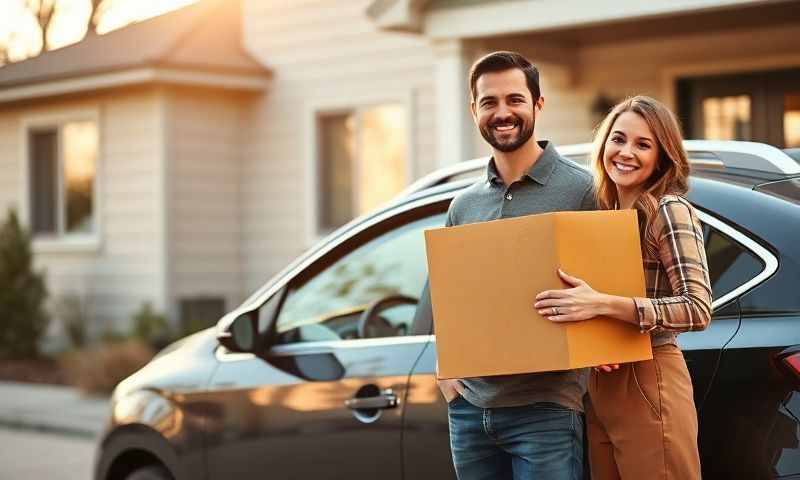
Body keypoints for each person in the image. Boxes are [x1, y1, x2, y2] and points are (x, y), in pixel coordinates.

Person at [429, 51, 595, 480]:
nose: (502, 113)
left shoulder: (583, 192)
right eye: (489, 102)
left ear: (538, 105)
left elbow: (608, 291)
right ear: (474, 111)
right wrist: (448, 376)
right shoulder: (463, 205)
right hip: (470, 411)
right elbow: (449, 302)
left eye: (515, 100)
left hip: (546, 412)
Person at [534, 95, 712, 479]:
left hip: (651, 376)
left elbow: (697, 308)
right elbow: (587, 304)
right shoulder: (605, 216)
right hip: (602, 381)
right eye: (618, 139)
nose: (626, 152)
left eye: (643, 144)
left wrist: (603, 305)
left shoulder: (668, 209)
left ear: (662, 156)